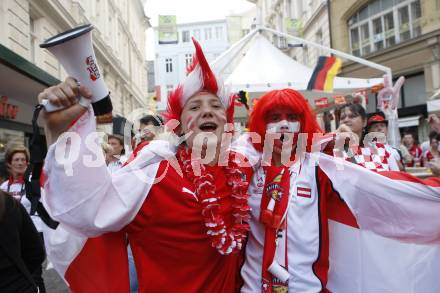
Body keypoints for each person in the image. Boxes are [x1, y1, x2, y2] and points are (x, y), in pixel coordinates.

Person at [37, 38, 250, 292]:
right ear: (179, 126)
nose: (207, 111)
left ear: (226, 122)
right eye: (194, 106)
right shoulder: (154, 174)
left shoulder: (243, 170)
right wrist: (62, 133)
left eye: (216, 106)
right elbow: (86, 210)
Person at [238, 89, 440, 292]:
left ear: (303, 123)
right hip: (253, 287)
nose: (283, 124)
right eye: (274, 118)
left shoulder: (320, 167)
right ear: (262, 125)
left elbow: (377, 189)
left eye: (292, 117)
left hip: (306, 287)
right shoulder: (246, 167)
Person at [0, 190, 46, 293]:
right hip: (21, 285)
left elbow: (35, 253)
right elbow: (36, 253)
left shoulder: (8, 201)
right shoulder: (8, 200)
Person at [337, 103, 399, 171]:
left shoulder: (383, 150)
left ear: (364, 122)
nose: (346, 120)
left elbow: (397, 178)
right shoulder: (332, 148)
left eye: (352, 116)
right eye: (342, 118)